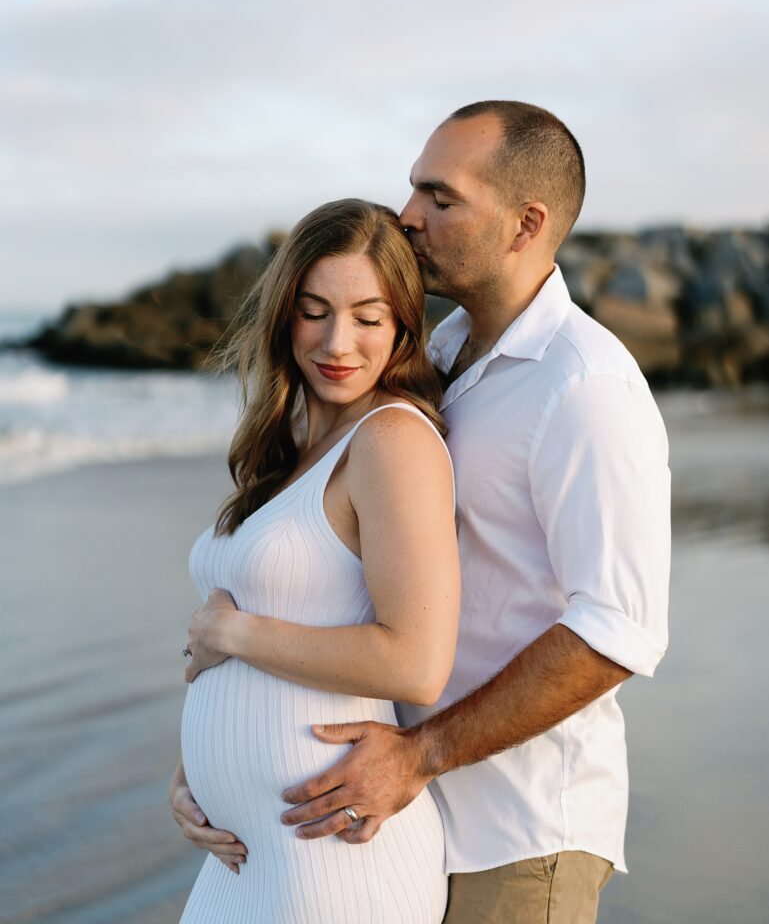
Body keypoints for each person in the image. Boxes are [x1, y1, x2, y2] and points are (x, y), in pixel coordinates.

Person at [173, 101, 671, 924]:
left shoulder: (584, 388)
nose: (408, 216)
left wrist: (421, 754)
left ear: (525, 223)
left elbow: (619, 627)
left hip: (517, 832)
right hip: (396, 809)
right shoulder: (437, 357)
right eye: (412, 190)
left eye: (440, 198)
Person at [171, 198, 460, 923]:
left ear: (400, 326)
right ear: (283, 315)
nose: (338, 342)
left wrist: (230, 636)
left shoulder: (392, 442)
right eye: (313, 310)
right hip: (244, 854)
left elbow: (415, 662)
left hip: (331, 860)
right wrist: (199, 769)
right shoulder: (291, 440)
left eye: (367, 317)